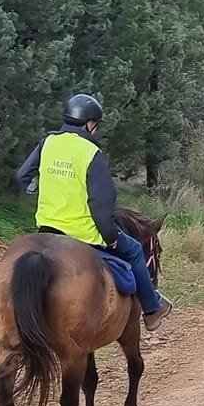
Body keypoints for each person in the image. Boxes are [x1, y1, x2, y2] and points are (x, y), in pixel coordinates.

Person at [16, 93, 174, 331]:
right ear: (89, 123)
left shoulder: (47, 142)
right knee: (133, 250)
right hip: (82, 233)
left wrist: (40, 190)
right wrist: (110, 238)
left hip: (47, 231)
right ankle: (152, 309)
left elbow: (22, 177)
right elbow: (102, 205)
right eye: (96, 125)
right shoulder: (91, 152)